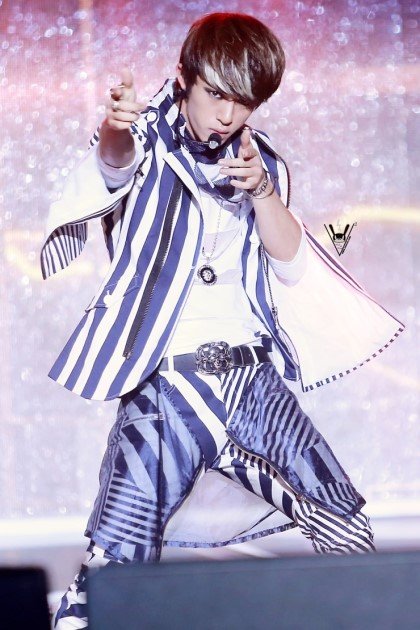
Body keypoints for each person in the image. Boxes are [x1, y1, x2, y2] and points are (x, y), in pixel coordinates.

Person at [42, 13, 404, 628]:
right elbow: (112, 165)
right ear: (183, 77)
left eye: (244, 102)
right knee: (113, 569)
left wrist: (263, 192)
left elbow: (292, 263)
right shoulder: (143, 139)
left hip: (250, 382)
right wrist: (113, 127)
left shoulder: (264, 163)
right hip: (166, 389)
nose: (228, 115)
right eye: (216, 95)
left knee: (345, 524)